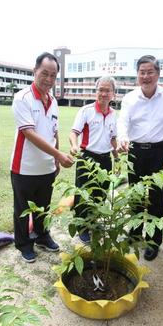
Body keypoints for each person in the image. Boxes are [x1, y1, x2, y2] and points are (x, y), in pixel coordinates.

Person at [10, 52, 74, 263]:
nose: (48, 79)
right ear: (34, 71)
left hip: (47, 167)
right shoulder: (22, 98)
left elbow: (54, 130)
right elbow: (29, 133)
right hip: (25, 167)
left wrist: (55, 159)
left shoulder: (53, 100)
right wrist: (58, 154)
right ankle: (24, 244)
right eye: (44, 73)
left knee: (43, 207)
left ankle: (42, 236)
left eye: (53, 75)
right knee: (22, 209)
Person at [117, 55, 163, 261]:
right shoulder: (129, 98)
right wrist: (123, 139)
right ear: (137, 75)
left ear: (158, 74)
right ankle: (135, 233)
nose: (145, 76)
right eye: (142, 72)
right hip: (136, 152)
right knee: (135, 196)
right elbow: (122, 123)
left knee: (157, 198)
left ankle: (153, 241)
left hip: (159, 152)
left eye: (149, 72)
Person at [69, 76, 118, 243]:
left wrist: (117, 159)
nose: (103, 94)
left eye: (107, 90)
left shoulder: (113, 114)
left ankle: (94, 221)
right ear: (96, 91)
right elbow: (73, 132)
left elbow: (113, 139)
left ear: (113, 94)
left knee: (101, 192)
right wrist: (74, 145)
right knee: (83, 194)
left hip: (106, 159)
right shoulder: (86, 111)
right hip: (87, 158)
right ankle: (82, 227)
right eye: (100, 90)